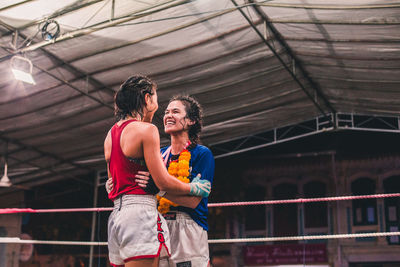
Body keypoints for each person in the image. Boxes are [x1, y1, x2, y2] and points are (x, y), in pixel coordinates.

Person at [104, 75, 211, 267]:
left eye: (175, 111)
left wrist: (158, 188)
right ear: (147, 99)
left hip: (124, 217)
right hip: (143, 216)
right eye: (166, 110)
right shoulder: (149, 134)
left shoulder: (110, 134)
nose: (167, 114)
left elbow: (113, 182)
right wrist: (191, 187)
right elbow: (161, 182)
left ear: (192, 120)